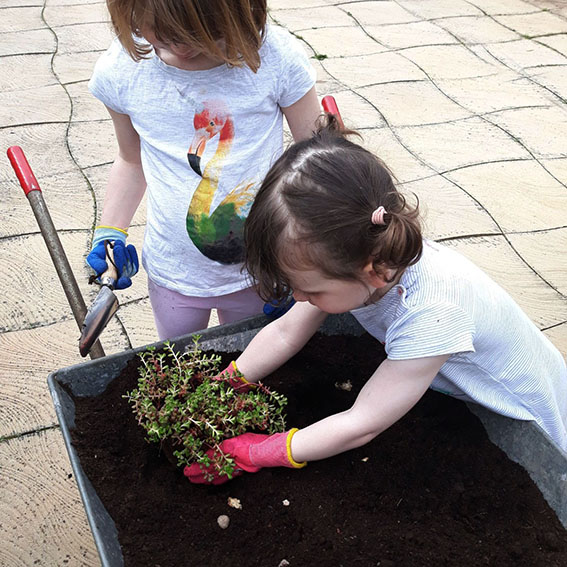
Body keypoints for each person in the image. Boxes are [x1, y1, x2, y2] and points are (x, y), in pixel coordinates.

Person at [185, 115, 567, 485]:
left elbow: (362, 423)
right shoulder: (358, 256)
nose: (300, 297)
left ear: (373, 271)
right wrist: (227, 381)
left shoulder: (432, 312)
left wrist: (260, 451)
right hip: (450, 381)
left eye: (311, 290)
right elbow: (286, 331)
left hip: (521, 414)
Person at [86, 0, 321, 339]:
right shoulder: (123, 69)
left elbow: (319, 158)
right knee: (180, 366)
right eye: (162, 34)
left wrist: (312, 257)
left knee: (254, 365)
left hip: (261, 270)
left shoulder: (274, 58)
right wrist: (110, 231)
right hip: (173, 272)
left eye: (197, 33)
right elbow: (130, 158)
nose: (180, 48)